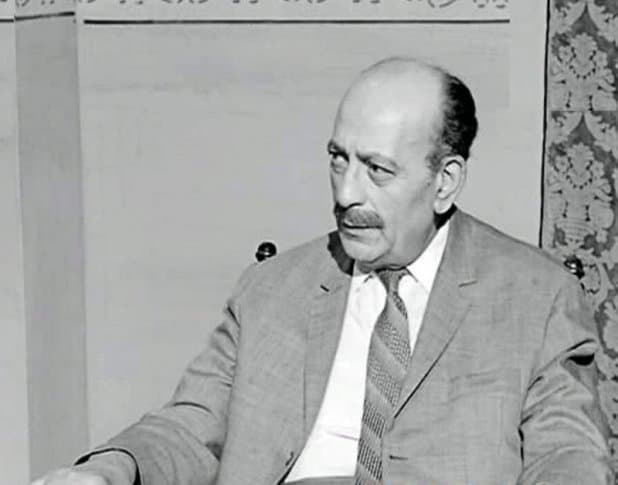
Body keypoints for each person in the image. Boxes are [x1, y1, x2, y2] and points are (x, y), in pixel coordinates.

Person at [34, 57, 612, 485]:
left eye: (377, 170)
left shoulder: (536, 296)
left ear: (445, 181)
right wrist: (110, 470)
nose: (346, 194)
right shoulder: (271, 290)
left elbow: (567, 455)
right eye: (339, 160)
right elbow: (191, 426)